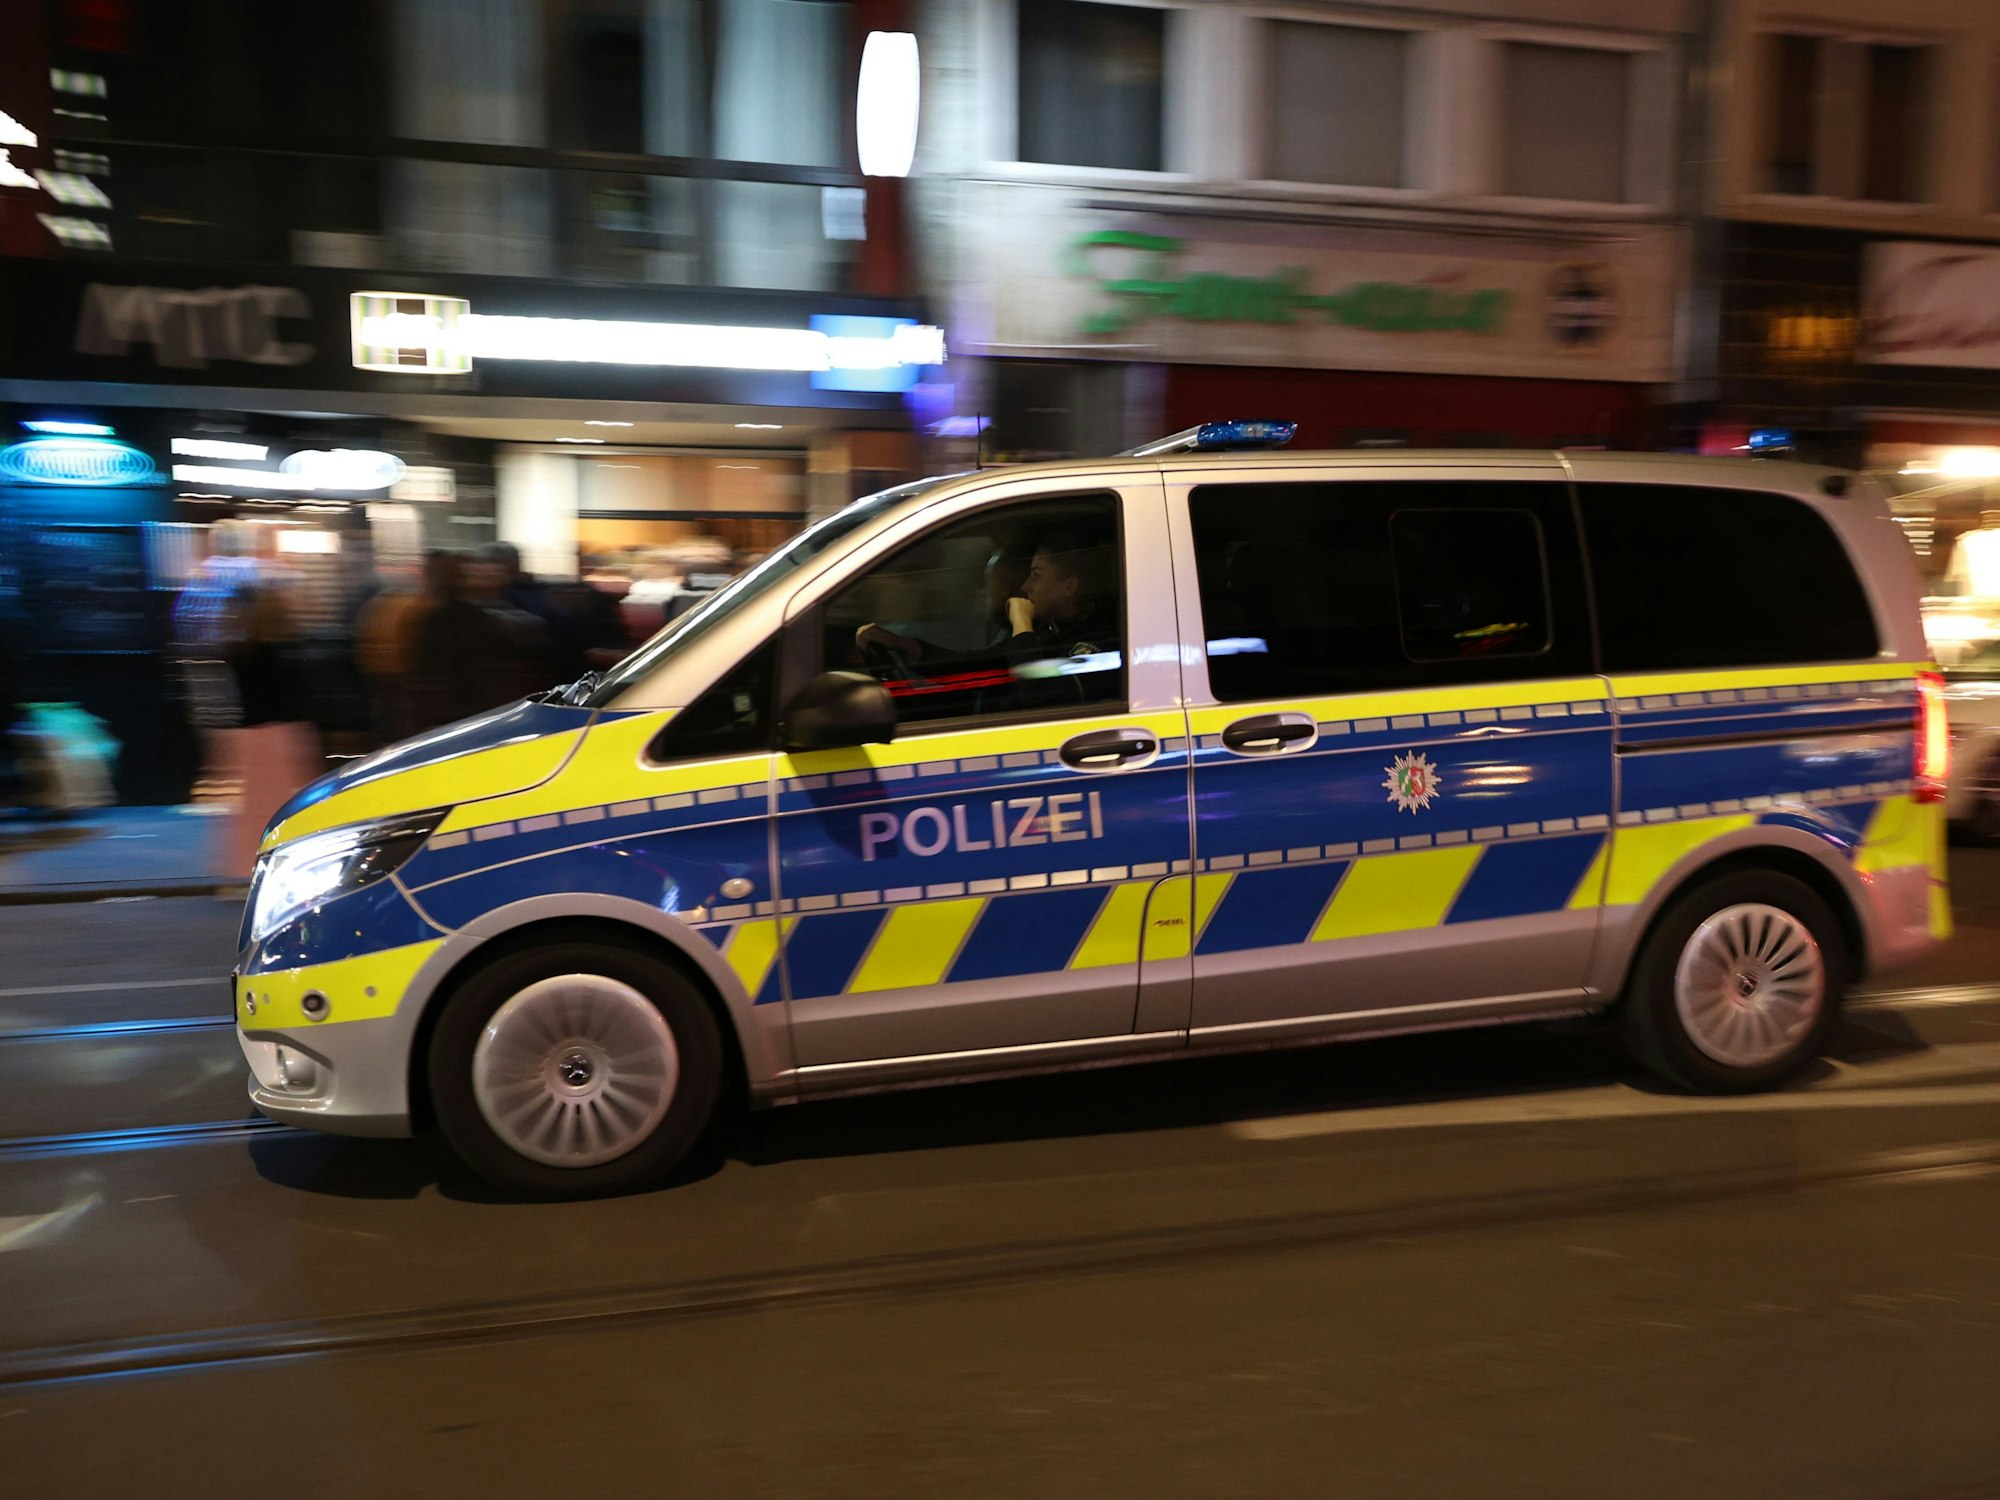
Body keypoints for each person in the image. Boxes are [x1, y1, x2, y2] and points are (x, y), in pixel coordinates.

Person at [855, 545, 1033, 666]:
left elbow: (1034, 691)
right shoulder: (1012, 639)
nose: (983, 592)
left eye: (988, 583)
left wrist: (1023, 625)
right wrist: (903, 644)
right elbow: (975, 665)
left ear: (1007, 590)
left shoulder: (1040, 639)